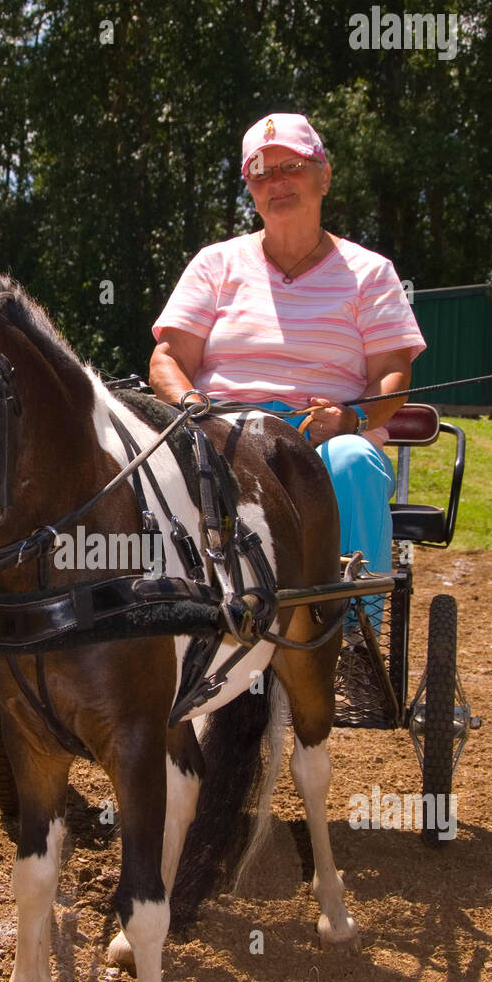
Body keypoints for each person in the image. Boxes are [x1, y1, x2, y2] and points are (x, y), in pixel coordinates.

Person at [149, 113, 426, 619]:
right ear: (250, 190)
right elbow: (167, 358)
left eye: (290, 167)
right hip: (223, 437)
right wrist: (193, 407)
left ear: (324, 175)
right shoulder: (215, 264)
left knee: (352, 461)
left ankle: (354, 645)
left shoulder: (370, 273)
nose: (276, 182)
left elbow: (392, 374)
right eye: (260, 172)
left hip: (324, 442)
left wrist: (352, 418)